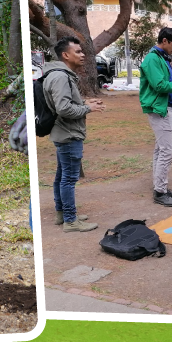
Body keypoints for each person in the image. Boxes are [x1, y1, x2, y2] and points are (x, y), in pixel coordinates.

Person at [41, 37, 104, 232]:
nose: (83, 54)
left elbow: (65, 103)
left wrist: (85, 102)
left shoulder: (59, 74)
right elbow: (64, 109)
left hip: (63, 133)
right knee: (68, 179)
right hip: (68, 134)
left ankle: (62, 214)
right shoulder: (60, 76)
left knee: (62, 176)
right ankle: (70, 220)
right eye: (77, 51)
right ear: (66, 55)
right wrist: (87, 108)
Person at [140, 26, 172, 207]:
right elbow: (159, 86)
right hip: (160, 109)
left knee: (160, 150)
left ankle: (160, 187)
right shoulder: (152, 58)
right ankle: (159, 192)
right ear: (164, 41)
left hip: (168, 107)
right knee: (166, 151)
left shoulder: (162, 58)